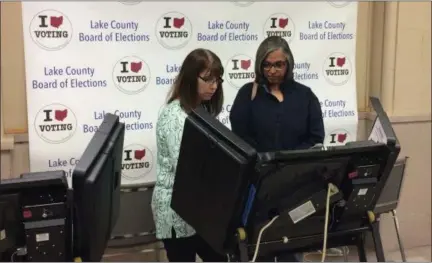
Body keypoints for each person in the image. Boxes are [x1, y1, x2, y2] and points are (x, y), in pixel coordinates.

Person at [229, 36, 325, 261]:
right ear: (259, 65)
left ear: (288, 64)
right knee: (258, 247)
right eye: (267, 64)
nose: (272, 70)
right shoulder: (247, 95)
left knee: (291, 249)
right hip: (259, 185)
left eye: (278, 64)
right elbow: (239, 138)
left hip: (297, 186)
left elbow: (315, 137)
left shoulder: (305, 96)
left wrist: (290, 161)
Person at [151, 48, 226, 262]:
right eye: (208, 79)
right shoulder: (174, 116)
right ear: (191, 78)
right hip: (176, 211)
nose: (214, 86)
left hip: (199, 209)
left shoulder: (201, 110)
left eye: (218, 80)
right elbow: (188, 168)